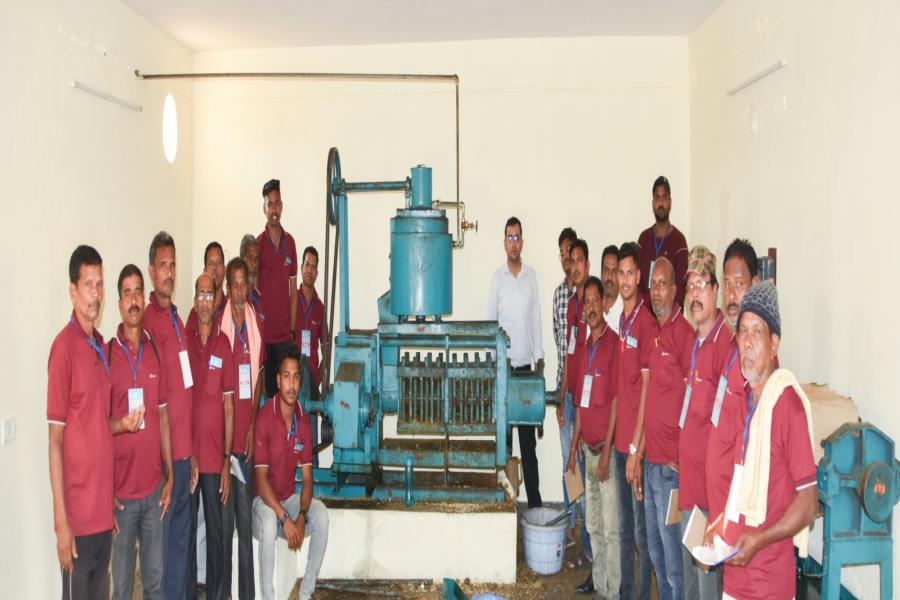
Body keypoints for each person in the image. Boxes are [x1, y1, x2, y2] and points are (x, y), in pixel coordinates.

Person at [47, 245, 141, 599]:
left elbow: (97, 425)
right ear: (73, 291)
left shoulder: (99, 346)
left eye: (100, 284)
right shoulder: (63, 348)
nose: (95, 294)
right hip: (77, 522)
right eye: (88, 285)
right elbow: (55, 441)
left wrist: (124, 425)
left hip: (103, 515)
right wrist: (61, 523)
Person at [716, 282, 817, 600]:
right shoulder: (746, 401)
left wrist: (760, 539)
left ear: (774, 344)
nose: (746, 342)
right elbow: (740, 482)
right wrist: (719, 525)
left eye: (756, 333)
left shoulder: (787, 405)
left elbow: (808, 504)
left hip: (769, 584)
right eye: (742, 332)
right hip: (735, 577)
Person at [109, 264, 174, 600]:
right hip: (120, 497)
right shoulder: (108, 354)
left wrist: (169, 475)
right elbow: (100, 427)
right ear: (119, 303)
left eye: (138, 292)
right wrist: (105, 489)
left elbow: (162, 417)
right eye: (127, 293)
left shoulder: (153, 352)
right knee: (121, 588)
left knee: (154, 586)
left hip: (152, 492)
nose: (134, 300)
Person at [142, 231, 197, 600]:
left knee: (180, 543)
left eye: (173, 265)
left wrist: (190, 453)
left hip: (183, 451)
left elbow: (184, 390)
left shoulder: (177, 319)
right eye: (163, 265)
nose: (169, 273)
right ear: (151, 271)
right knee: (161, 553)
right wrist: (164, 461)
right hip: (164, 458)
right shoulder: (148, 322)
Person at [634, 257, 693, 600]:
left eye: (662, 284)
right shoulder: (654, 333)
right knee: (655, 555)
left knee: (674, 564)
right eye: (652, 284)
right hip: (652, 464)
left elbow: (693, 400)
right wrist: (639, 453)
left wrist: (681, 457)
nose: (656, 291)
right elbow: (653, 399)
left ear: (674, 290)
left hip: (671, 470)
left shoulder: (684, 334)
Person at [253, 346, 330, 600]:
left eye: (296, 377)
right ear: (278, 380)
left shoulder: (303, 422)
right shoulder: (265, 417)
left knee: (321, 516)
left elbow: (307, 480)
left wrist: (302, 515)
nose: (292, 384)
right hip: (262, 503)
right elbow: (260, 480)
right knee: (268, 522)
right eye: (286, 376)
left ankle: (306, 593)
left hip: (288, 500)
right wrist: (285, 518)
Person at [679, 246, 731, 600]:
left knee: (708, 589)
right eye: (691, 286)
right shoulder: (698, 340)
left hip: (711, 498)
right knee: (691, 587)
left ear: (716, 290)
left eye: (702, 285)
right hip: (690, 486)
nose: (695, 294)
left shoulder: (725, 343)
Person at [566, 276, 621, 600]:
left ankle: (613, 592)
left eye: (594, 301)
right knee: (593, 526)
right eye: (585, 302)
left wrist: (608, 452)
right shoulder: (584, 347)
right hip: (587, 452)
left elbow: (616, 402)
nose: (589, 307)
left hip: (606, 455)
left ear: (603, 304)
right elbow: (581, 405)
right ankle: (600, 585)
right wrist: (574, 447)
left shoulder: (613, 344)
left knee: (611, 529)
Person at [487, 216, 545, 508]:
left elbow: (535, 319)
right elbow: (491, 324)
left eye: (517, 237)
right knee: (504, 444)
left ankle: (534, 506)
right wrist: (492, 364)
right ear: (504, 242)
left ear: (522, 242)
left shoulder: (530, 277)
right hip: (504, 371)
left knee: (528, 445)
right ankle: (504, 505)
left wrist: (540, 359)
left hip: (525, 371)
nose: (513, 242)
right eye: (509, 237)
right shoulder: (497, 279)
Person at [186, 273, 235, 600]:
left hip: (216, 460)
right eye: (200, 295)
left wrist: (227, 460)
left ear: (217, 301)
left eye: (209, 295)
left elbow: (229, 406)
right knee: (188, 534)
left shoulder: (223, 343)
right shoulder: (185, 342)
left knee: (217, 538)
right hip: (189, 459)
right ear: (195, 300)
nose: (205, 301)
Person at [706, 239, 760, 529]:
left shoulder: (758, 361)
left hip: (736, 520)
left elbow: (752, 453)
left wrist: (730, 517)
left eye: (739, 284)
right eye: (727, 285)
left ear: (755, 285)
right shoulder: (732, 348)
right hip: (720, 511)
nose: (731, 295)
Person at [221, 257, 265, 599]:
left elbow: (260, 377)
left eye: (243, 284)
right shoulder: (218, 329)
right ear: (227, 288)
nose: (239, 291)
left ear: (249, 286)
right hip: (223, 447)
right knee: (224, 530)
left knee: (245, 526)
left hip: (246, 443)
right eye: (234, 284)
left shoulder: (254, 325)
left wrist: (250, 428)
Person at [613, 242, 654, 599]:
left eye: (630, 273)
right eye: (620, 274)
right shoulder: (622, 319)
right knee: (624, 530)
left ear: (639, 276)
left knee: (642, 536)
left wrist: (635, 451)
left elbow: (647, 392)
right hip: (619, 445)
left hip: (634, 450)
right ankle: (625, 593)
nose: (624, 280)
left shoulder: (644, 322)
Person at [556, 238, 593, 585]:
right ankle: (573, 531)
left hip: (588, 404)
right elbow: (569, 353)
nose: (576, 265)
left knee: (586, 471)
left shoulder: (593, 303)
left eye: (580, 259)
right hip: (571, 398)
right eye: (572, 260)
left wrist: (581, 403)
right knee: (570, 469)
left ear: (587, 264)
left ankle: (590, 547)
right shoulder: (570, 305)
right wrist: (562, 394)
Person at [256, 179, 299, 399]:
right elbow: (254, 294)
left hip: (284, 338)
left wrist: (291, 330)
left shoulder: (290, 243)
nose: (274, 209)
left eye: (277, 204)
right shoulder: (258, 245)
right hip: (265, 338)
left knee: (287, 396)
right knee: (267, 398)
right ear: (264, 208)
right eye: (269, 204)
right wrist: (258, 334)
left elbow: (294, 292)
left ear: (281, 206)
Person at [637, 176, 688, 308]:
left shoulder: (679, 242)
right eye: (657, 198)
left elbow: (680, 291)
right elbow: (637, 284)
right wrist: (646, 314)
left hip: (669, 317)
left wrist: (664, 315)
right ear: (652, 203)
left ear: (670, 202)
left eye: (664, 198)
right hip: (645, 316)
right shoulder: (643, 239)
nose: (660, 202)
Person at [240, 233, 266, 326]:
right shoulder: (236, 296)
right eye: (250, 257)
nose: (254, 263)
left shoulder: (260, 298)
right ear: (241, 260)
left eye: (256, 258)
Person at [600, 244, 623, 334]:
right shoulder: (593, 306)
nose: (609, 276)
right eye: (606, 270)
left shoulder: (625, 312)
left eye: (614, 271)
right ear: (601, 274)